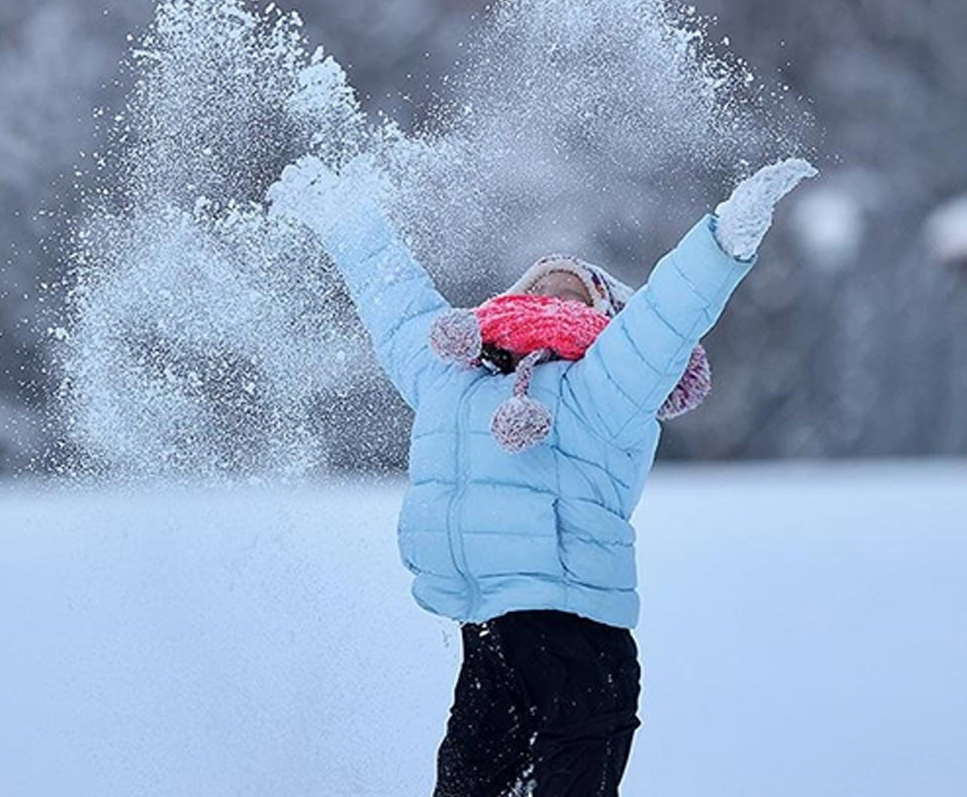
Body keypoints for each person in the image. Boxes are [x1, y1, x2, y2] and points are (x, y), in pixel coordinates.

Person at [266, 154, 817, 797]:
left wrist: (723, 240)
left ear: (607, 317)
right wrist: (345, 219)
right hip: (490, 641)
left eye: (574, 290)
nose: (552, 295)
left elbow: (665, 317)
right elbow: (396, 303)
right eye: (540, 286)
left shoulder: (607, 386)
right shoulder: (453, 376)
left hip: (581, 648)